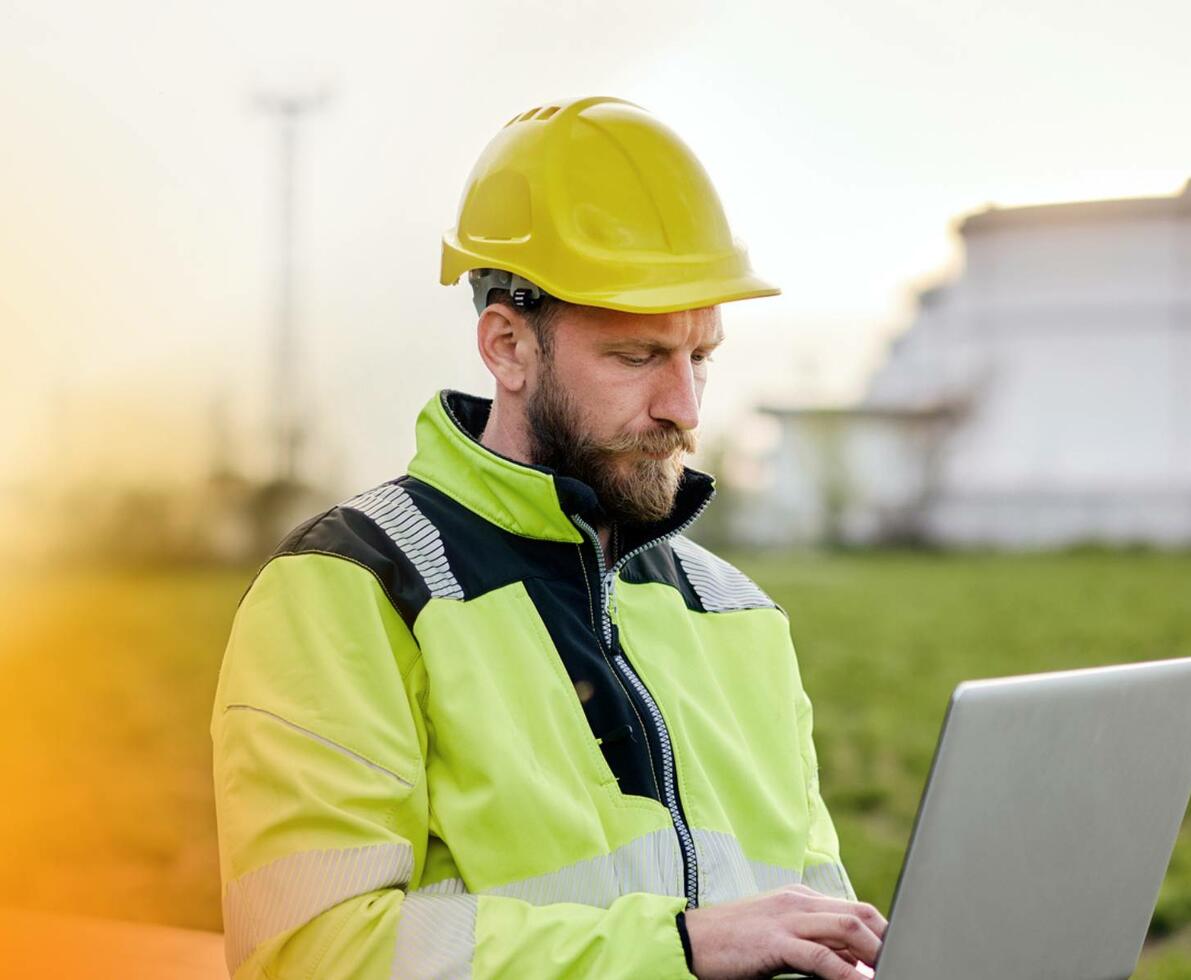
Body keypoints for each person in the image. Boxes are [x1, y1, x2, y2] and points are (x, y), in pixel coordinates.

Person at [211, 95, 887, 979]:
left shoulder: (738, 611)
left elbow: (810, 926)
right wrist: (677, 951)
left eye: (700, 358)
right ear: (507, 346)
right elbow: (310, 952)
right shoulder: (350, 586)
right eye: (637, 357)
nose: (683, 407)